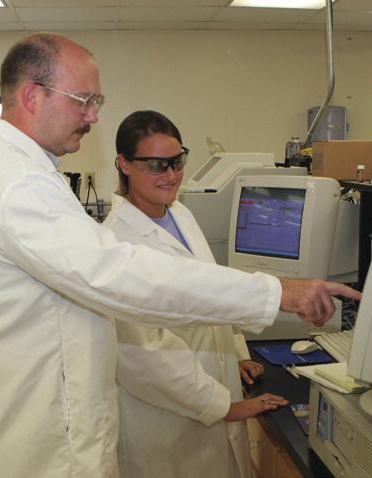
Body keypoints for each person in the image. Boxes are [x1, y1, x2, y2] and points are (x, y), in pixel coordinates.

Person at [0, 32, 360, 478]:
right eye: (83, 100)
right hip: (39, 448)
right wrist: (277, 292)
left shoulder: (4, 170)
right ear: (32, 96)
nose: (93, 115)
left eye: (97, 101)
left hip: (29, 430)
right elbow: (120, 277)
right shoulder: (16, 182)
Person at [105, 110, 288, 478]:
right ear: (124, 164)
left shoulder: (180, 214)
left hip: (212, 388)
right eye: (156, 165)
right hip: (167, 421)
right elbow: (144, 356)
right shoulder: (115, 242)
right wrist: (225, 407)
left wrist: (234, 353)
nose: (171, 174)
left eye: (177, 161)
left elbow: (211, 289)